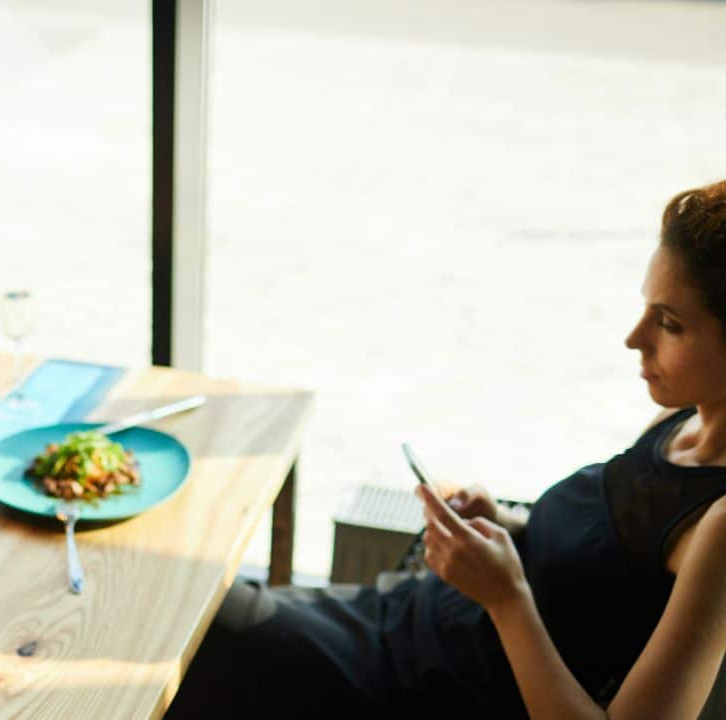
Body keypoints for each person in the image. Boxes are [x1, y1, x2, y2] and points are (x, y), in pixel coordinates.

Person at [167, 181, 726, 720]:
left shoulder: (719, 525)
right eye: (646, 308)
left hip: (427, 686)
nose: (633, 337)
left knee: (196, 642)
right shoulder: (681, 419)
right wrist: (505, 524)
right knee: (195, 620)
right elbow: (603, 572)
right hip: (415, 621)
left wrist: (506, 600)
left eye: (669, 323)